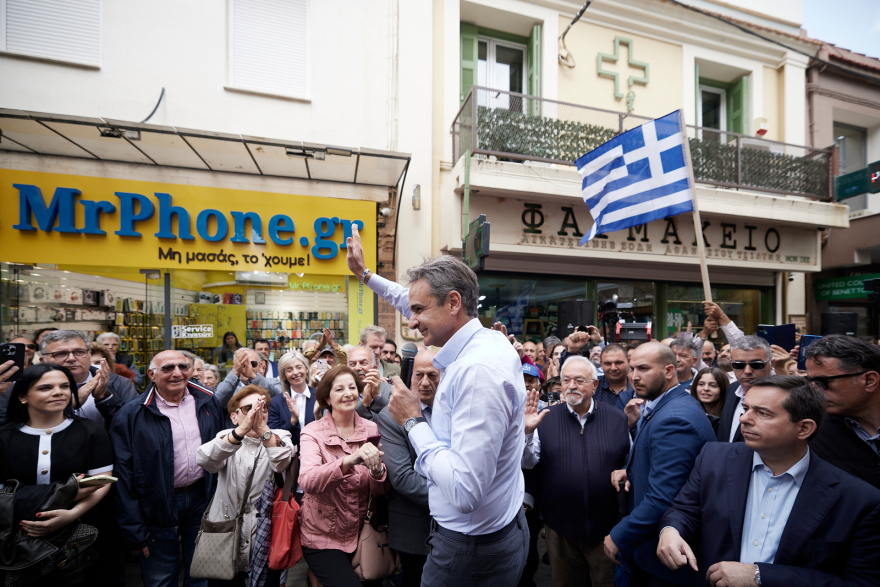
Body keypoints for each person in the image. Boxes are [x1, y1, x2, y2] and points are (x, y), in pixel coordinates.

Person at [347, 226, 530, 587]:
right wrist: (366, 276)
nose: (410, 320)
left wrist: (414, 422)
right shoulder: (485, 339)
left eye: (418, 310)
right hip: (488, 536)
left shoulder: (476, 372)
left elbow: (464, 492)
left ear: (453, 303)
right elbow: (410, 299)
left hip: (471, 551)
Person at [657, 375, 880, 587]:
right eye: (746, 409)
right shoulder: (713, 458)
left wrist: (761, 577)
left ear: (804, 428)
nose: (744, 418)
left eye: (763, 413)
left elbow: (861, 582)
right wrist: (670, 530)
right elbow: (685, 509)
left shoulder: (858, 500)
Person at [110, 350, 226, 587]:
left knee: (202, 574)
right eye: (167, 368)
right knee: (160, 577)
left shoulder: (208, 401)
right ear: (151, 374)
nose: (177, 373)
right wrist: (134, 527)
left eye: (183, 367)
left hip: (201, 499)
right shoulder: (132, 413)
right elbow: (122, 475)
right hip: (156, 504)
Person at [604, 342, 715, 587]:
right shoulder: (664, 405)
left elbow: (664, 498)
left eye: (643, 368)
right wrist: (631, 469)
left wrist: (618, 536)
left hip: (665, 560)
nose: (634, 376)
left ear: (668, 371)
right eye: (632, 368)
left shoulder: (675, 419)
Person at [1, 364, 119, 585]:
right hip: (15, 535)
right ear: (23, 396)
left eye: (64, 386)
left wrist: (73, 513)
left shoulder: (91, 431)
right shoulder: (5, 436)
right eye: (46, 387)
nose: (59, 392)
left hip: (79, 534)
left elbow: (102, 482)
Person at [522, 356, 629, 587]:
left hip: (607, 529)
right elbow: (529, 463)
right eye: (566, 380)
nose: (571, 386)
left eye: (579, 380)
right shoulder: (546, 419)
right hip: (560, 528)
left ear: (595, 385)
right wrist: (527, 433)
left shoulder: (617, 418)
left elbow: (630, 461)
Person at [298, 365, 389, 587]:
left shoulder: (371, 429)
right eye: (339, 389)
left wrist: (378, 472)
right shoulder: (312, 431)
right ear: (327, 398)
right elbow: (308, 481)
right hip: (322, 536)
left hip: (363, 534)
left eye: (351, 387)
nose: (347, 393)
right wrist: (349, 460)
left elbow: (378, 492)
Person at [196, 385, 292, 587]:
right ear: (234, 417)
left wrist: (263, 431)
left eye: (263, 407)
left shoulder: (281, 436)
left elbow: (281, 462)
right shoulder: (226, 437)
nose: (258, 411)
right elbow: (204, 459)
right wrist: (240, 432)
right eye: (249, 408)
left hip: (264, 536)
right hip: (225, 534)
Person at [376, 349, 439, 587]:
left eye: (432, 375)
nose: (424, 382)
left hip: (458, 530)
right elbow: (402, 477)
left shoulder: (453, 412)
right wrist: (454, 498)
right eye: (418, 375)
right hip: (416, 528)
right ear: (408, 377)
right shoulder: (391, 416)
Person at [9, 330, 138, 430]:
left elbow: (134, 423)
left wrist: (103, 398)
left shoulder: (118, 382)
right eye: (60, 354)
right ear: (43, 360)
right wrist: (71, 405)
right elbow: (11, 422)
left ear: (88, 355)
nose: (71, 358)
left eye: (79, 352)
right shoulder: (26, 383)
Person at [803, 335, 880, 489]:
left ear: (869, 380)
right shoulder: (811, 431)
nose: (815, 390)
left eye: (823, 382)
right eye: (809, 381)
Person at [717, 336, 775, 443]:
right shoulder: (732, 389)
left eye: (757, 365)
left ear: (772, 363)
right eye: (739, 365)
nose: (747, 371)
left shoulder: (781, 396)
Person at [215, 348, 280, 408]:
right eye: (243, 365)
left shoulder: (272, 382)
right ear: (234, 368)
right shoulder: (229, 387)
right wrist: (235, 372)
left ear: (260, 366)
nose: (248, 368)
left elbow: (280, 398)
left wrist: (253, 376)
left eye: (253, 364)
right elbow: (217, 401)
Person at [347, 346, 392, 421]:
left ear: (374, 368)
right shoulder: (340, 393)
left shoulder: (390, 390)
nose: (357, 368)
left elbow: (397, 420)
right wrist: (363, 404)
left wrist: (378, 397)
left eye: (363, 363)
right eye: (352, 364)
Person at [594, 343, 635, 410]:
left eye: (618, 363)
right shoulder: (593, 386)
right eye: (608, 363)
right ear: (601, 364)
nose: (613, 368)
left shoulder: (638, 387)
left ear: (628, 362)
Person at [689, 367, 728, 433]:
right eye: (701, 384)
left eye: (713, 385)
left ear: (722, 389)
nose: (706, 388)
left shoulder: (729, 417)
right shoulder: (688, 412)